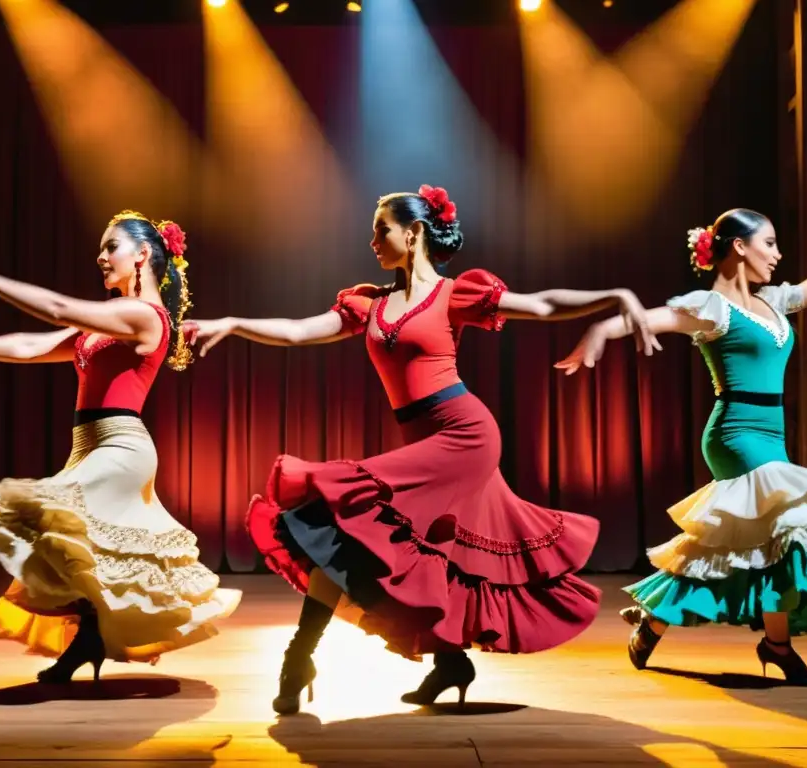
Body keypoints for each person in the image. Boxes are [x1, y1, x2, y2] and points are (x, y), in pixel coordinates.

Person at [186, 184, 658, 714]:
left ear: (412, 235)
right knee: (416, 550)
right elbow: (299, 332)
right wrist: (232, 324)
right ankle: (446, 662)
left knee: (338, 509)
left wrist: (617, 296)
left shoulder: (456, 294)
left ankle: (301, 658)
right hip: (425, 437)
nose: (371, 241)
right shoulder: (370, 303)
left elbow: (543, 304)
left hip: (465, 435)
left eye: (380, 229)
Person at [557, 177, 807, 685]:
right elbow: (644, 320)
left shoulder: (777, 302)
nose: (778, 254)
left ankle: (656, 623)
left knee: (741, 542)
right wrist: (599, 331)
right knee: (785, 528)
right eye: (770, 243)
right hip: (735, 434)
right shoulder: (709, 310)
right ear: (739, 248)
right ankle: (778, 646)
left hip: (772, 434)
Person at [0, 211, 241, 698]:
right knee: (73, 551)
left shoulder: (143, 315)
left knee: (22, 521)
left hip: (121, 447)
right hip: (89, 448)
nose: (100, 255)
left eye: (110, 246)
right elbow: (35, 345)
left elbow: (56, 308)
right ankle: (89, 639)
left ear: (142, 255)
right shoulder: (108, 321)